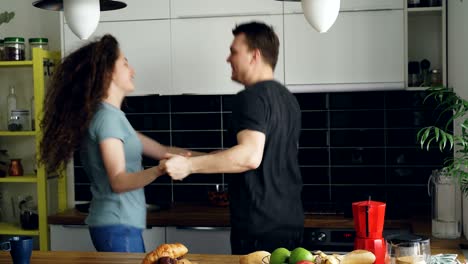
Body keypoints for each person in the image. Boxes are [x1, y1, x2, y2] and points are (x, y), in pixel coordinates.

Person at [39, 34, 192, 253]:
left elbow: (162, 151)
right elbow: (118, 181)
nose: (133, 71)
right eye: (125, 64)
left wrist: (215, 159)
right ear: (108, 73)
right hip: (116, 225)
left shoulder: (112, 117)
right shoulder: (107, 118)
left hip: (121, 224)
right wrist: (158, 171)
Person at [162, 21, 304, 254]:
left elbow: (249, 156)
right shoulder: (288, 100)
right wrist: (196, 157)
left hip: (259, 227)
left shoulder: (250, 98)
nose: (228, 59)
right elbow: (263, 157)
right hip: (290, 223)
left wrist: (189, 166)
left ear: (254, 56)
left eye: (234, 52)